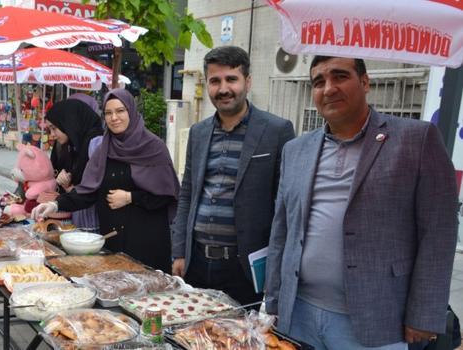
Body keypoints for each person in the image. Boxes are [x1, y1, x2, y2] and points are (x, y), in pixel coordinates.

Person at [265, 56, 459, 349]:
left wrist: (424, 312)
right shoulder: (296, 149)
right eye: (318, 82)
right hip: (299, 313)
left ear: (365, 82)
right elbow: (282, 230)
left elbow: (439, 231)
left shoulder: (415, 140)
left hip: (377, 318)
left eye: (340, 76)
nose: (329, 88)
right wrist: (274, 299)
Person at [170, 46, 295, 307]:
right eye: (215, 81)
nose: (223, 88)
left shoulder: (276, 131)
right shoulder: (199, 132)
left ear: (247, 82)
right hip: (197, 263)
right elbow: (187, 195)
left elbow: (284, 207)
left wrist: (276, 267)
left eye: (231, 79)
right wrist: (179, 251)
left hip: (246, 269)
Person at [32, 89, 179, 273]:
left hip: (146, 243)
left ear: (131, 112)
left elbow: (167, 195)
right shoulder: (104, 150)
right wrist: (55, 205)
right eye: (108, 113)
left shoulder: (154, 148)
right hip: (114, 241)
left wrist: (131, 197)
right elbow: (87, 192)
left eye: (120, 111)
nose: (114, 118)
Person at [46, 99, 104, 230]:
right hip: (80, 221)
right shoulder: (74, 146)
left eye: (54, 128)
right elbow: (78, 188)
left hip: (96, 224)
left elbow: (96, 188)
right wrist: (67, 184)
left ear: (68, 122)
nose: (52, 135)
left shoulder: (96, 144)